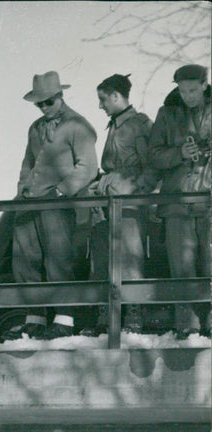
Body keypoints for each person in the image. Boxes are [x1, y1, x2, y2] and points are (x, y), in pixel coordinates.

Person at [5, 71, 98, 341]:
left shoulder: (78, 126)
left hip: (59, 205)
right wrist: (23, 188)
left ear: (60, 96)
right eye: (39, 104)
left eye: (48, 102)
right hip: (30, 204)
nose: (43, 107)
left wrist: (62, 191)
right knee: (25, 260)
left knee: (59, 260)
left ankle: (65, 320)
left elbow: (88, 167)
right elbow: (27, 162)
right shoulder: (35, 128)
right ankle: (34, 318)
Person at [83, 74, 155, 336]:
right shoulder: (113, 126)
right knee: (103, 259)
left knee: (130, 258)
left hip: (130, 204)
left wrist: (129, 188)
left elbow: (151, 169)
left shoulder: (139, 125)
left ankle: (134, 314)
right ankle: (107, 315)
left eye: (103, 100)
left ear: (116, 96)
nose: (101, 105)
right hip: (106, 202)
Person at [148, 64, 211, 338]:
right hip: (177, 204)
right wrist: (179, 153)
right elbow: (154, 156)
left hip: (209, 200)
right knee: (181, 268)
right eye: (182, 90)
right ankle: (186, 326)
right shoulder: (166, 114)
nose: (188, 96)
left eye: (193, 90)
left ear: (205, 86)